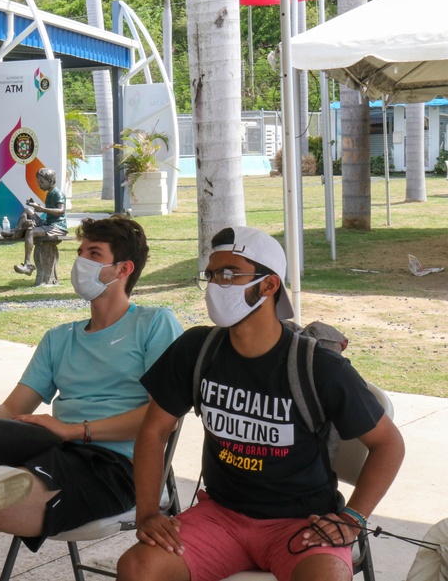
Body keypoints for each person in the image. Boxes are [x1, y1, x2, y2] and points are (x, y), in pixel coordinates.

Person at [0, 216, 183, 581]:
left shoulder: (155, 323)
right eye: (79, 253)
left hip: (112, 466)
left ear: (123, 268)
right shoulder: (59, 338)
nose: (81, 263)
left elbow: (162, 419)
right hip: (50, 448)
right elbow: (14, 410)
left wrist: (72, 431)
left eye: (94, 254)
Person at [118, 226, 406, 581]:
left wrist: (354, 518)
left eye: (228, 274)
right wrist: (148, 513)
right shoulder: (197, 349)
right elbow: (153, 430)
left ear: (269, 286)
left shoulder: (317, 366)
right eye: (210, 275)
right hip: (220, 517)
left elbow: (388, 444)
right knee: (137, 568)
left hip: (302, 523)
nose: (214, 285)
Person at [5, 167, 67, 276]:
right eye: (38, 182)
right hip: (48, 224)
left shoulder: (58, 194)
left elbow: (61, 211)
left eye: (42, 182)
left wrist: (42, 209)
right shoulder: (49, 193)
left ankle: (28, 265)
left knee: (31, 231)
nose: (39, 184)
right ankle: (16, 231)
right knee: (27, 210)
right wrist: (36, 206)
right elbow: (49, 210)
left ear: (51, 181)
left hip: (57, 227)